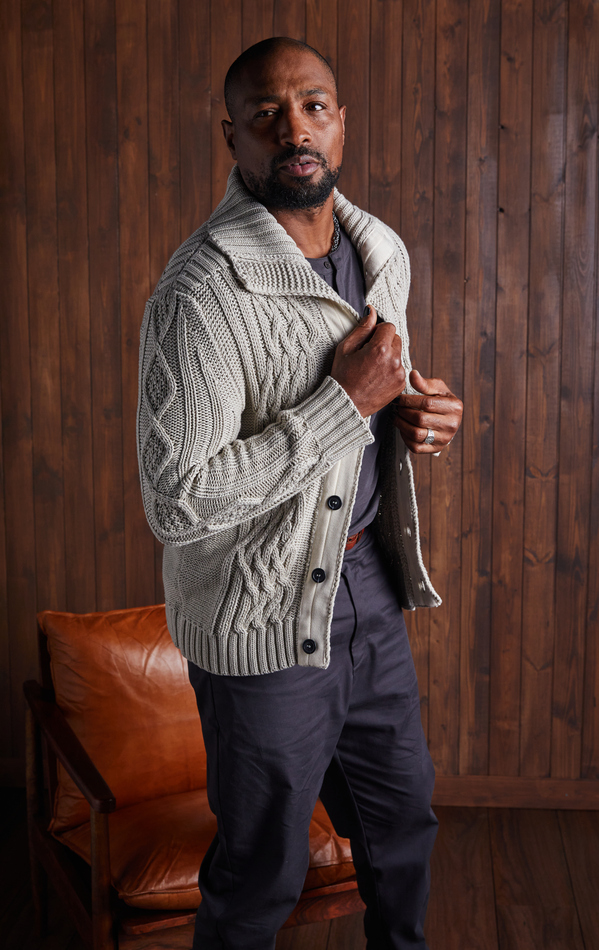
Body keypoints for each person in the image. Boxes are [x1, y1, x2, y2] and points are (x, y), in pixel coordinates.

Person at [137, 36, 462, 950]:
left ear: (340, 122)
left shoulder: (380, 249)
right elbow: (177, 500)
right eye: (266, 113)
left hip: (372, 593)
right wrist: (344, 404)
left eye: (313, 106)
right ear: (232, 136)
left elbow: (377, 390)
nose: (294, 129)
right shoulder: (200, 293)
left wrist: (417, 412)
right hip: (260, 620)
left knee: (402, 829)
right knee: (261, 872)